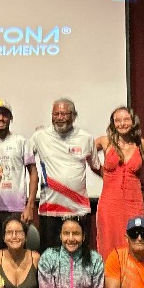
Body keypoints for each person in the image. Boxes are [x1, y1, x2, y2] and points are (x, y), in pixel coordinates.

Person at [28, 98, 100, 251]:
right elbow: (19, 153)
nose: (59, 118)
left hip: (78, 210)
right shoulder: (40, 137)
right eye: (56, 114)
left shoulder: (86, 138)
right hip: (50, 211)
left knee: (79, 259)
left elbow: (96, 167)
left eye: (64, 114)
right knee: (50, 258)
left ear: (74, 116)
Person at [94, 106, 144, 260]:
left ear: (133, 121)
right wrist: (102, 172)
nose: (122, 123)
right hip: (109, 204)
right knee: (109, 246)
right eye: (118, 120)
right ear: (113, 123)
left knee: (136, 241)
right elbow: (84, 153)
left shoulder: (142, 144)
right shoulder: (105, 141)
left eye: (126, 119)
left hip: (134, 203)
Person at [0, 99, 38, 254]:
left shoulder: (21, 142)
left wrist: (30, 206)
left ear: (11, 118)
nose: (1, 118)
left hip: (16, 209)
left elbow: (33, 173)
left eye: (5, 114)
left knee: (16, 254)